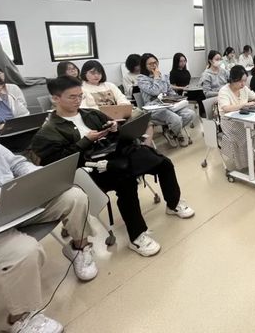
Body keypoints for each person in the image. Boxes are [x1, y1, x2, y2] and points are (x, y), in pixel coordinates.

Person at [30, 76, 195, 258]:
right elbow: (58, 163)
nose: (78, 100)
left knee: (163, 163)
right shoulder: (48, 131)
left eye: (80, 96)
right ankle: (137, 235)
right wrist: (85, 141)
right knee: (126, 181)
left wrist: (115, 129)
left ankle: (173, 204)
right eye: (72, 97)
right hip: (89, 169)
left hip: (116, 155)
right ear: (55, 98)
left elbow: (115, 134)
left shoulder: (91, 114)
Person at [0, 113, 98, 333]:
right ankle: (22, 317)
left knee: (74, 196)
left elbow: (17, 163)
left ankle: (79, 248)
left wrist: (37, 178)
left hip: (7, 204)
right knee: (24, 250)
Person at [138, 53, 196, 148]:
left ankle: (170, 132)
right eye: (150, 64)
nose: (154, 65)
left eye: (155, 62)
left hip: (168, 103)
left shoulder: (164, 76)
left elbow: (170, 90)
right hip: (154, 107)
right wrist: (156, 77)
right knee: (176, 119)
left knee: (190, 114)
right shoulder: (141, 79)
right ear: (144, 66)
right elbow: (155, 91)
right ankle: (177, 133)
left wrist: (177, 99)